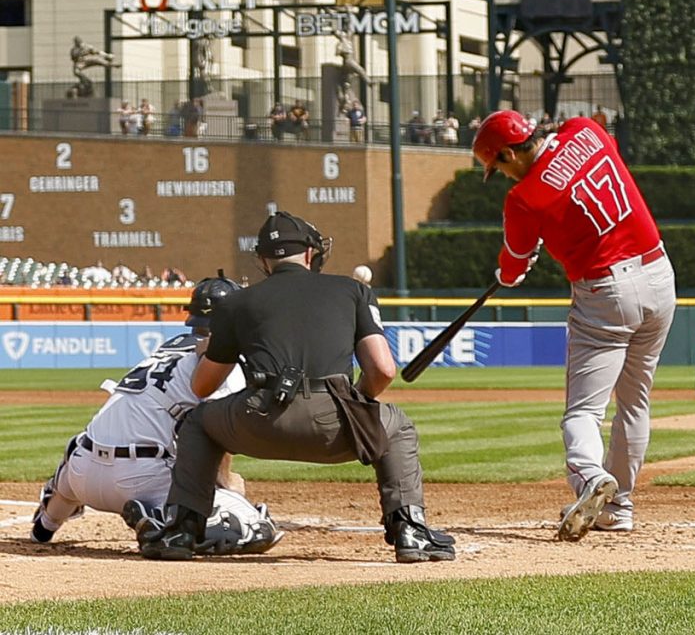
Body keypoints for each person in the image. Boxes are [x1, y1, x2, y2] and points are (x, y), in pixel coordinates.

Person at [139, 211, 455, 563]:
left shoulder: (235, 303)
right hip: (333, 426)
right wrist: (358, 406)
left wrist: (209, 349)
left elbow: (202, 387)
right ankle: (409, 531)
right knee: (398, 428)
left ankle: (182, 530)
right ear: (309, 253)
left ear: (263, 259)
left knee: (199, 422)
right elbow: (382, 369)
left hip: (256, 420)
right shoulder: (354, 291)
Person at [472, 111, 676, 542]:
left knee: (582, 413)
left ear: (508, 153)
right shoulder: (586, 129)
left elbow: (513, 264)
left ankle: (588, 477)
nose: (503, 175)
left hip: (607, 293)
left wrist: (511, 274)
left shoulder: (524, 199)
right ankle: (619, 508)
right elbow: (580, 179)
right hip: (659, 275)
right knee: (635, 402)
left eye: (500, 166)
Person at [31, 277, 282, 557]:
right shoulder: (222, 363)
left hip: (81, 474)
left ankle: (46, 523)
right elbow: (215, 427)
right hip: (141, 482)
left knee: (81, 445)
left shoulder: (169, 347)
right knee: (257, 527)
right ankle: (158, 521)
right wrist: (225, 486)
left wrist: (48, 524)